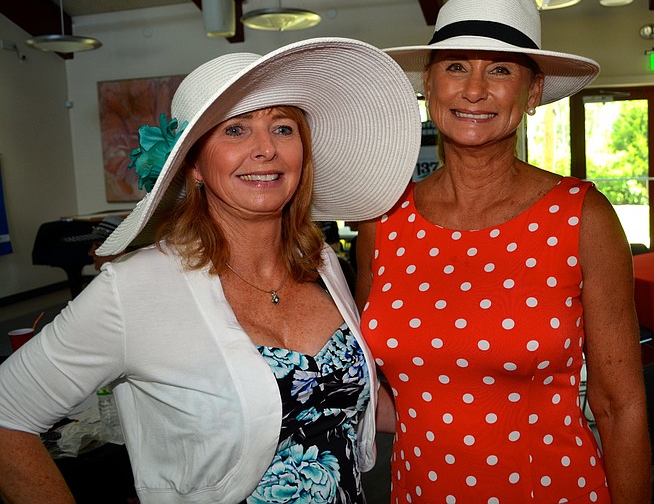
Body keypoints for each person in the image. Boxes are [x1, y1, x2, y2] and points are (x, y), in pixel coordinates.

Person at [0, 37, 421, 503]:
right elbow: (6, 414)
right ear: (194, 164)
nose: (266, 150)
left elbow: (348, 399)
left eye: (283, 128)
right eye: (236, 130)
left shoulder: (319, 263)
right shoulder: (136, 287)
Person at [355, 0, 651, 503]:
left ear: (532, 91)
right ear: (429, 86)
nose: (474, 90)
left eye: (500, 69)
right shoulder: (382, 222)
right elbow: (362, 377)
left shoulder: (582, 217)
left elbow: (619, 405)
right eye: (455, 67)